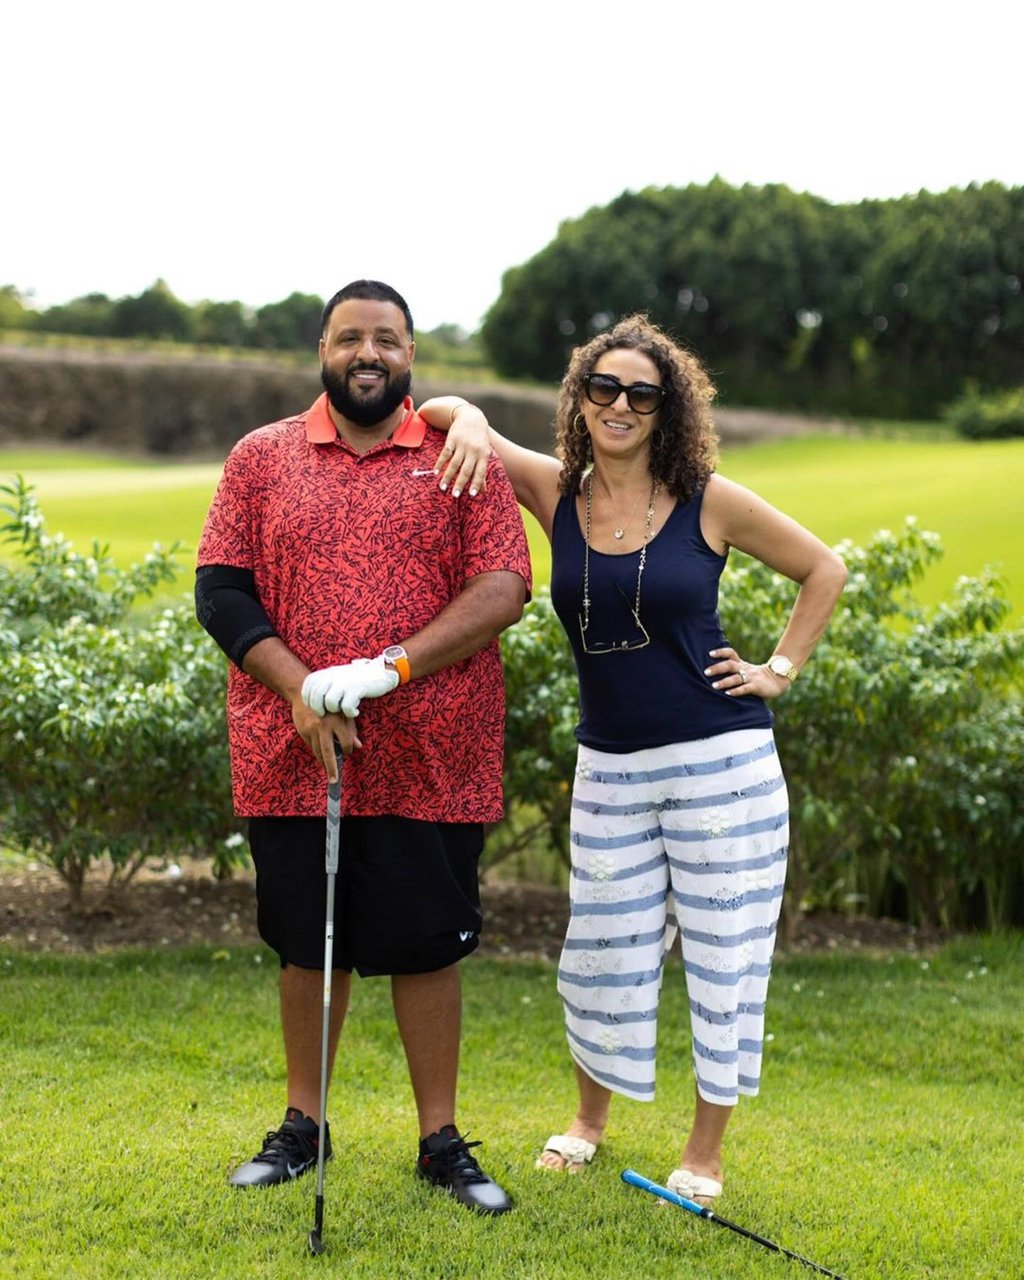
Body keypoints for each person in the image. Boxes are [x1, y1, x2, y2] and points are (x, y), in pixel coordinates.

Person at [419, 314, 847, 1203]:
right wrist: (463, 418)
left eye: (641, 393)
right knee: (602, 950)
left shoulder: (709, 501)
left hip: (723, 765)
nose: (620, 404)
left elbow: (824, 569)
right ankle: (588, 1121)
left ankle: (705, 1153)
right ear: (578, 398)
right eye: (602, 388)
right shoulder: (555, 491)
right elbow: (449, 408)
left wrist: (778, 669)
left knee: (723, 953)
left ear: (668, 409)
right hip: (610, 766)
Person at [195, 279, 531, 1216]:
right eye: (351, 338)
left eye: (386, 339)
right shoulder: (260, 457)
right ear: (324, 350)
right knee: (310, 945)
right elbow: (221, 592)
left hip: (435, 750)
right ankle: (304, 1126)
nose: (368, 353)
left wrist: (388, 669)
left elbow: (505, 584)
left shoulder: (460, 456)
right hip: (298, 748)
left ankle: (440, 1140)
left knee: (429, 947)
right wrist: (301, 685)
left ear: (412, 355)